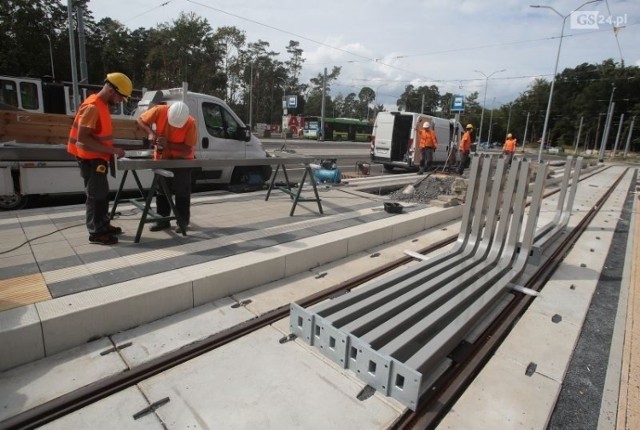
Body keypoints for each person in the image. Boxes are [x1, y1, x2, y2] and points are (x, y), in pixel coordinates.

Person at [67, 72, 132, 245]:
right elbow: (83, 138)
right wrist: (112, 150)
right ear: (112, 90)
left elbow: (97, 135)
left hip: (98, 158)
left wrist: (109, 151)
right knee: (96, 196)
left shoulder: (101, 104)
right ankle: (96, 232)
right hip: (90, 159)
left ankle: (103, 224)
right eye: (120, 97)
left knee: (102, 194)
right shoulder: (93, 107)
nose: (120, 101)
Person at [136, 101, 197, 233]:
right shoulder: (159, 110)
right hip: (163, 158)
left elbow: (187, 149)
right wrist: (150, 133)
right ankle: (162, 220)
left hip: (183, 161)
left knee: (182, 191)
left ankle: (182, 221)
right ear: (169, 113)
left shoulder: (190, 122)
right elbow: (141, 120)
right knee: (162, 190)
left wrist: (168, 144)